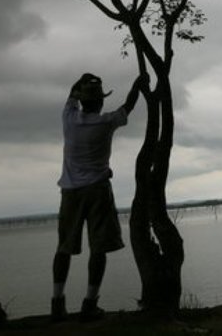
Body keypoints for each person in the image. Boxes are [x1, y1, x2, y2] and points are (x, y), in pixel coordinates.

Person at [50, 71, 147, 322]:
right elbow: (129, 105)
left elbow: (71, 94)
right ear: (101, 102)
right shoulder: (106, 122)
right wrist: (137, 84)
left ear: (81, 101)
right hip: (98, 191)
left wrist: (82, 79)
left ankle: (57, 303)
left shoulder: (68, 118)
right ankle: (89, 304)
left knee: (64, 248)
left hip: (70, 192)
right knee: (99, 248)